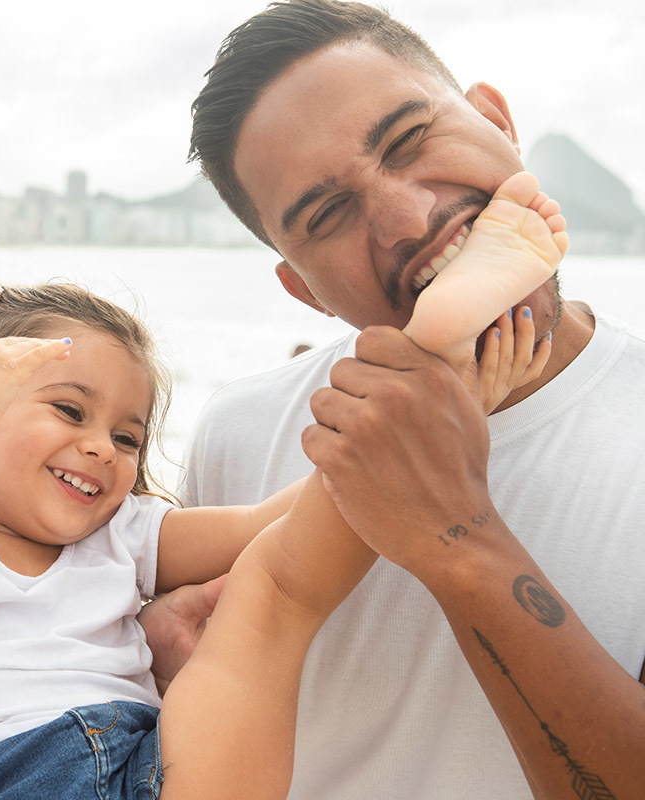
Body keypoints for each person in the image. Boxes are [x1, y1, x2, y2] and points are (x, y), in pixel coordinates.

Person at [0, 180, 559, 800]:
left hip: (161, 758)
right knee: (274, 591)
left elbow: (269, 524)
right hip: (16, 775)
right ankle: (428, 360)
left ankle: (431, 366)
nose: (101, 446)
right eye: (69, 410)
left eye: (128, 437)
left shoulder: (119, 531)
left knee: (272, 580)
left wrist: (450, 425)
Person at [183, 1, 645, 798]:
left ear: (497, 120)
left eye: (408, 140)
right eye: (327, 214)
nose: (410, 218)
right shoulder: (241, 432)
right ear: (305, 291)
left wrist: (452, 534)